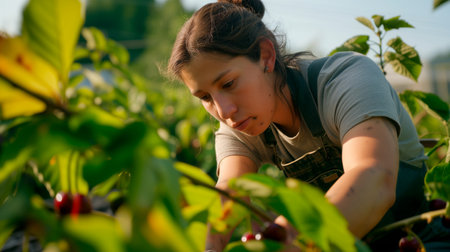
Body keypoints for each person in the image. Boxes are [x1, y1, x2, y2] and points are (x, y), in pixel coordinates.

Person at [168, 0, 450, 251]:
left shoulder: (344, 81)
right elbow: (229, 189)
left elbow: (373, 178)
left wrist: (290, 237)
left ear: (266, 55)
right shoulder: (240, 124)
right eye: (205, 97)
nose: (224, 111)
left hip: (420, 240)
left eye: (228, 84)